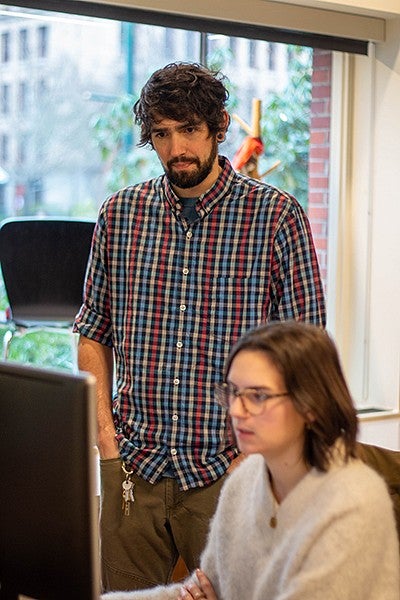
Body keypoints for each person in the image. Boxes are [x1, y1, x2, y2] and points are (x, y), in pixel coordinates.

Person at [73, 62, 326, 592]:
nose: (175, 148)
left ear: (219, 127)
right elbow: (93, 329)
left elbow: (307, 357)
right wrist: (105, 440)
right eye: (161, 134)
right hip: (132, 467)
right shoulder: (120, 216)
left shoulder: (276, 218)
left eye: (189, 129)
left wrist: (254, 457)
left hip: (228, 470)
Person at [102, 321, 400, 600]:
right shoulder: (246, 480)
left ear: (311, 404)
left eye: (257, 396)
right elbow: (198, 591)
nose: (236, 410)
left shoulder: (354, 503)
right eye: (233, 392)